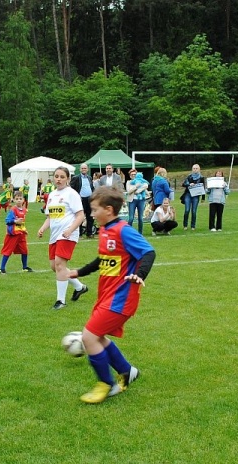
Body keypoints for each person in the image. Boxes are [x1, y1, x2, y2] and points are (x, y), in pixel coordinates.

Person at [68, 186, 155, 404]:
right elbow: (102, 260)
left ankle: (105, 384)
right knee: (97, 337)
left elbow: (148, 252)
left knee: (89, 338)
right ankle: (127, 371)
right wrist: (78, 272)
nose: (92, 214)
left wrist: (139, 274)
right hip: (106, 296)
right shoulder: (105, 230)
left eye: (94, 209)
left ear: (109, 209)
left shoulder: (123, 230)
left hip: (121, 298)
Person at [38, 166, 90, 310]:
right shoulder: (52, 195)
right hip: (55, 236)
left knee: (60, 265)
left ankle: (61, 301)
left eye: (62, 177)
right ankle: (80, 287)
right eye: (56, 176)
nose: (59, 179)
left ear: (68, 178)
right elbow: (50, 217)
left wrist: (70, 230)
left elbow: (81, 215)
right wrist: (43, 228)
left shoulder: (71, 194)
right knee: (55, 267)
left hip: (67, 235)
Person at [0, 191, 33, 274]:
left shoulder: (24, 210)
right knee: (8, 250)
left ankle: (24, 267)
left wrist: (24, 229)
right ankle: (2, 268)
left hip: (21, 234)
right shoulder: (13, 210)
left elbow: (22, 222)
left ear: (23, 200)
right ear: (13, 200)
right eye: (17, 199)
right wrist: (15, 221)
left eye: (20, 199)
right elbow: (7, 220)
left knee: (24, 250)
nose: (18, 200)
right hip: (13, 234)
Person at [71, 163, 94, 237]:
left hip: (89, 199)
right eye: (82, 168)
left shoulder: (89, 178)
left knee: (90, 217)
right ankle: (79, 233)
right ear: (80, 169)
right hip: (80, 200)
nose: (84, 169)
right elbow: (71, 188)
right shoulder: (76, 178)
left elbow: (92, 188)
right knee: (80, 216)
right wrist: (77, 196)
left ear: (87, 169)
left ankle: (89, 233)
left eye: (85, 168)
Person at [181, 164, 204, 230]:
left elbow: (203, 187)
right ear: (192, 169)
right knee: (187, 210)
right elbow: (183, 184)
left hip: (196, 196)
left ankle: (193, 226)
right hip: (188, 194)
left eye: (196, 168)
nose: (195, 169)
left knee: (194, 211)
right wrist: (189, 184)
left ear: (199, 169)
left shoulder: (201, 177)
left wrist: (203, 197)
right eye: (194, 168)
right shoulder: (189, 176)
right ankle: (185, 225)